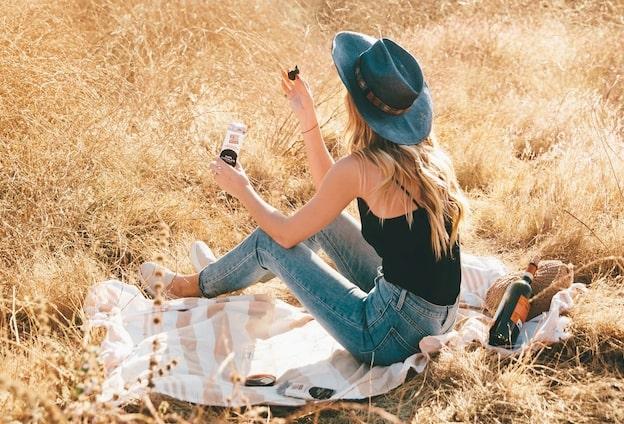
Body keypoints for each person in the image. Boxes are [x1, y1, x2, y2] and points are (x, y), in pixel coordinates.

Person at [139, 31, 468, 366]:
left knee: (269, 242)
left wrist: (242, 188)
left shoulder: (363, 166)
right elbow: (330, 189)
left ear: (353, 104)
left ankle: (190, 286)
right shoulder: (425, 155)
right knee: (327, 222)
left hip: (387, 336)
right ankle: (221, 273)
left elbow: (285, 234)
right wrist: (307, 117)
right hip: (435, 317)